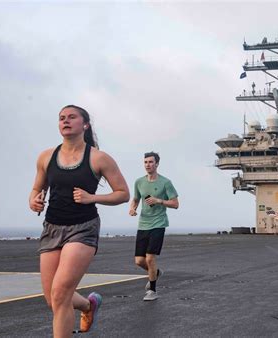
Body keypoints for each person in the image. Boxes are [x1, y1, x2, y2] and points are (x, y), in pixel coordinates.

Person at [29, 105, 130, 337]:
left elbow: (123, 193)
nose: (65, 121)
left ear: (84, 125)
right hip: (52, 227)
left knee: (60, 294)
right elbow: (36, 188)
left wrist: (91, 198)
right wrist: (34, 200)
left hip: (83, 228)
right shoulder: (46, 156)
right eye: (61, 118)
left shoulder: (98, 158)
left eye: (71, 117)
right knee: (51, 298)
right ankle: (88, 305)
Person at [129, 152, 179, 301]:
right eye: (145, 162)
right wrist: (133, 208)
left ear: (157, 164)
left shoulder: (165, 182)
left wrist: (159, 201)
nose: (148, 165)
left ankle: (152, 290)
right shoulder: (139, 182)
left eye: (151, 162)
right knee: (139, 261)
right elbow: (136, 199)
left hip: (159, 223)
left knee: (150, 258)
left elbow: (175, 204)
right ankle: (155, 273)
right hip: (143, 224)